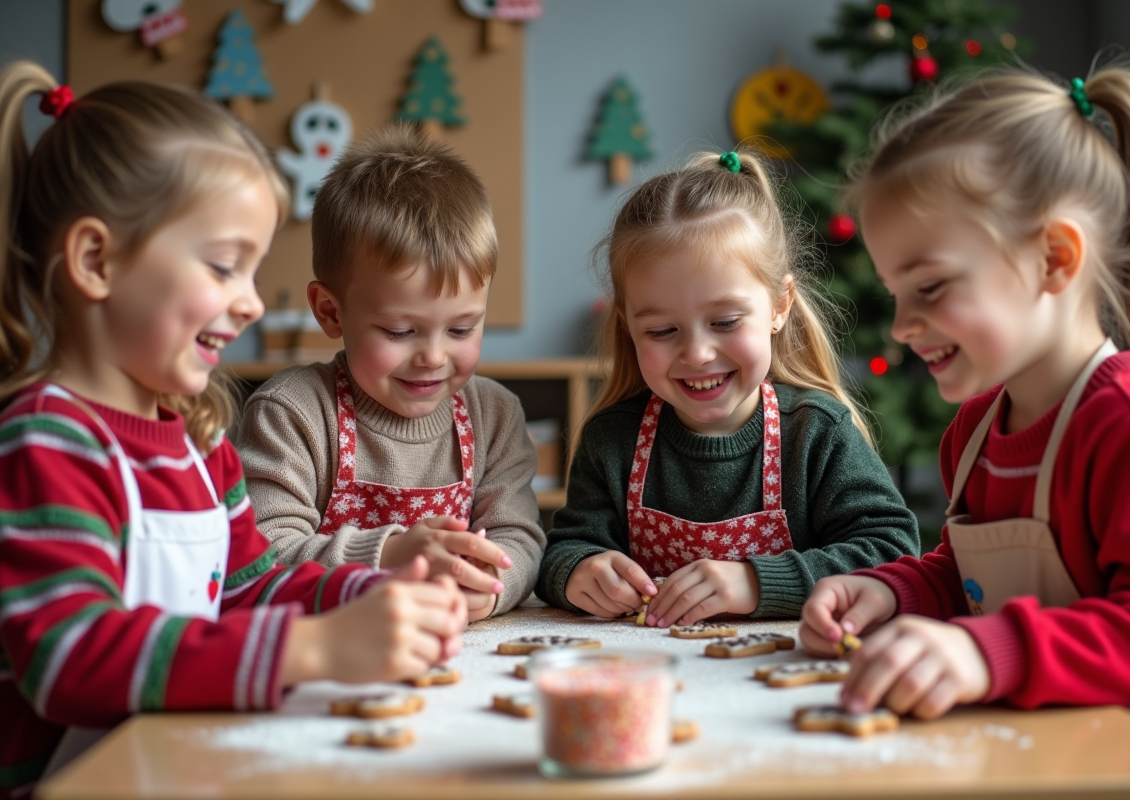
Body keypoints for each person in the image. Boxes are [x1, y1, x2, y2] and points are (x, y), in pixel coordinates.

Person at [0, 63, 467, 796]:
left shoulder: (198, 436)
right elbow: (69, 655)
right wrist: (311, 649)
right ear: (96, 261)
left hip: (184, 764)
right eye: (224, 267)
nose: (249, 304)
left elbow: (250, 587)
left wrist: (369, 598)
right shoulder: (47, 440)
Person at [799, 64, 1130, 747]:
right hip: (1043, 749)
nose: (901, 326)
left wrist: (991, 652)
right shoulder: (977, 431)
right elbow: (969, 580)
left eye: (930, 286)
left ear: (1053, 259)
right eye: (897, 293)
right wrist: (894, 591)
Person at [536, 149, 920, 626]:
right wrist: (578, 571)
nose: (697, 354)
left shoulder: (817, 433)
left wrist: (754, 582)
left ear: (780, 305)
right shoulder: (613, 438)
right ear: (628, 326)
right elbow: (563, 549)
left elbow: (891, 553)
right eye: (662, 331)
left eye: (724, 321)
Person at [235, 125, 544, 621]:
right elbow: (262, 554)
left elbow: (520, 536)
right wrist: (390, 555)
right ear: (331, 312)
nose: (433, 357)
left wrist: (489, 586)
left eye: (462, 329)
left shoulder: (494, 415)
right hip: (336, 650)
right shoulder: (292, 413)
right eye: (401, 331)